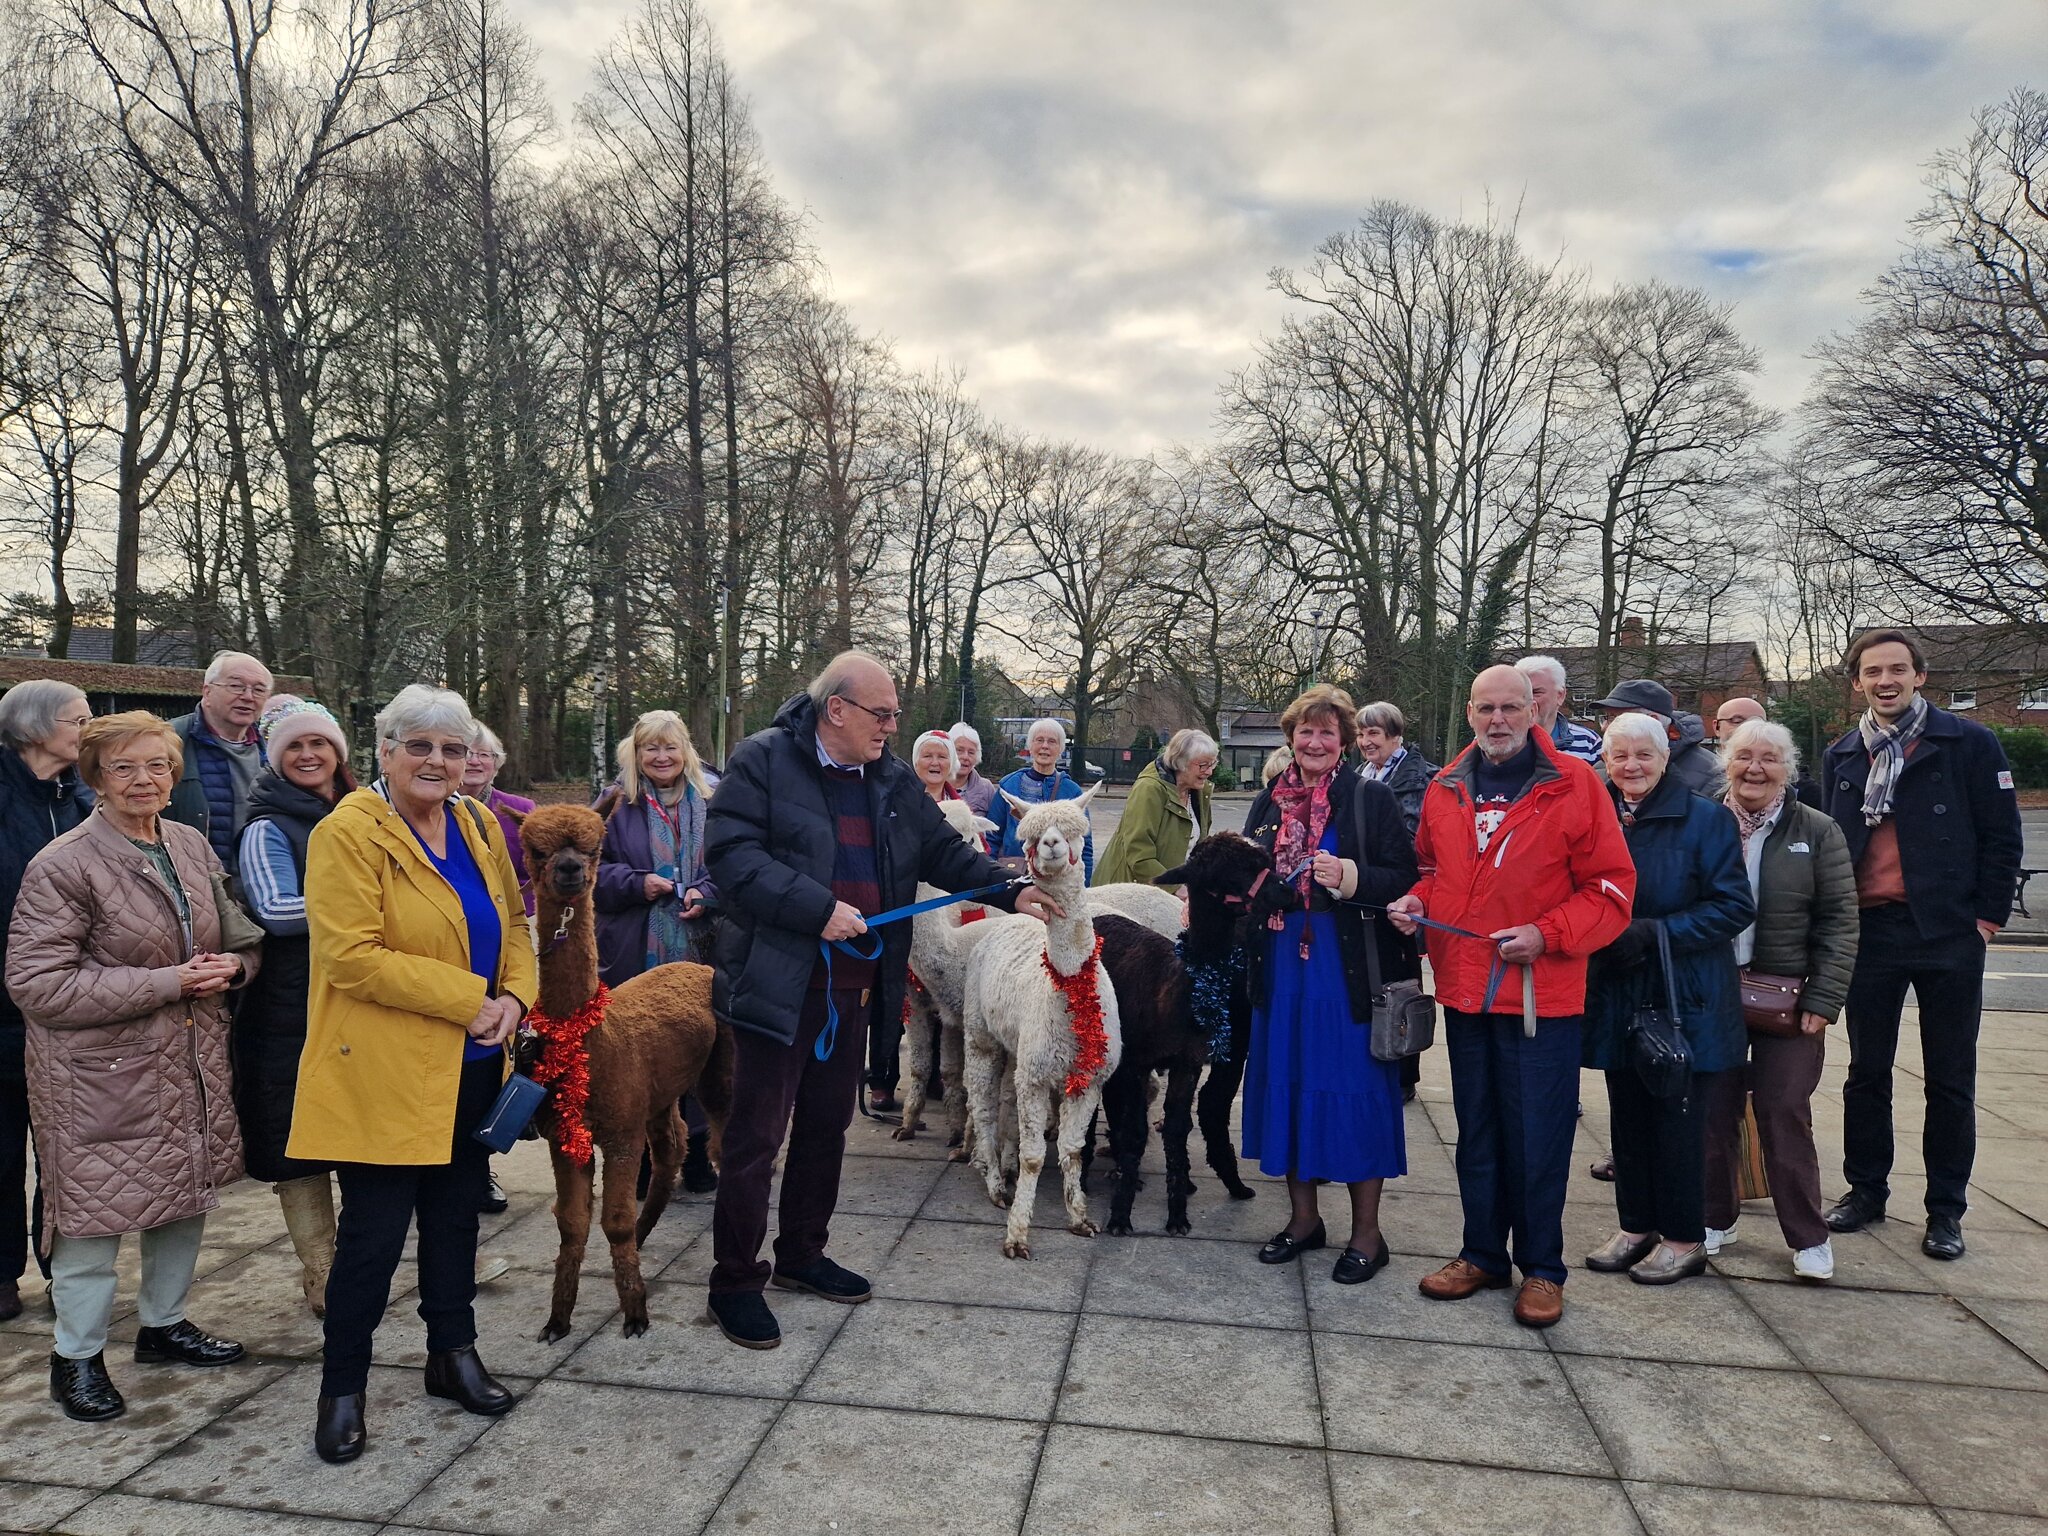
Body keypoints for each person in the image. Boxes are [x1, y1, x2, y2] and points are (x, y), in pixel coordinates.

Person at [702, 651, 1059, 1350]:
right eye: (883, 713)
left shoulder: (890, 780)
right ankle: (733, 1282)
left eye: (894, 714)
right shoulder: (762, 761)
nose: (894, 727)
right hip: (777, 988)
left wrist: (1008, 890)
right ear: (837, 709)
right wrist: (815, 908)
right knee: (755, 1140)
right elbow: (732, 857)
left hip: (853, 989)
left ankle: (802, 1254)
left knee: (825, 1129)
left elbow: (944, 856)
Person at [289, 685, 537, 1464]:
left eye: (453, 749)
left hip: (471, 1064)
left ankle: (451, 1354)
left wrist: (516, 1000)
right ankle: (342, 1389)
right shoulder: (348, 833)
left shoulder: (478, 821)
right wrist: (471, 1000)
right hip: (386, 1069)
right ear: (385, 752)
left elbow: (515, 923)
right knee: (372, 1238)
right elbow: (350, 957)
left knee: (457, 1218)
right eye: (420, 746)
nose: (438, 761)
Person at [10, 712, 258, 1422]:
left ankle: (164, 1325)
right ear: (94, 778)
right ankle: (75, 1357)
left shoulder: (186, 842)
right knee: (91, 1224)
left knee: (183, 1201)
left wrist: (233, 967)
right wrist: (170, 982)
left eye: (157, 765)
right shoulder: (63, 864)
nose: (144, 780)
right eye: (124, 768)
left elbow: (239, 935)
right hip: (98, 1077)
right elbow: (37, 985)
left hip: (187, 1062)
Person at [1387, 666, 1634, 1329]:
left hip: (1540, 997)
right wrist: (1417, 902)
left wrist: (1548, 934)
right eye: (1486, 708)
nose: (1498, 720)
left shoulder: (1576, 786)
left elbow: (1612, 888)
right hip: (1467, 991)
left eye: (1511, 708)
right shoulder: (1445, 787)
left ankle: (1544, 1270)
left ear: (1537, 710)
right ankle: (1482, 1254)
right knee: (1479, 1132)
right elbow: (1434, 872)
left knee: (1539, 1137)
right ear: (1469, 713)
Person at [1821, 629, 2024, 1261]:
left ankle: (1946, 1209)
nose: (1886, 681)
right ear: (1858, 681)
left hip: (1948, 933)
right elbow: (1834, 846)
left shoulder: (1970, 742)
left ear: (1919, 677)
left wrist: (1985, 922)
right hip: (1871, 933)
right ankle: (1866, 1190)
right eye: (1873, 671)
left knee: (1951, 1078)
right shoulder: (1843, 754)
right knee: (1866, 1072)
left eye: (1898, 669)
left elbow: (2002, 838)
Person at [1239, 686, 1417, 1283]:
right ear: (1291, 737)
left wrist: (1350, 876)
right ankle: (1303, 1221)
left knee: (1354, 1093)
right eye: (1305, 732)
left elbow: (1404, 876)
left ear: (1343, 741)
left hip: (1344, 977)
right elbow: (1244, 873)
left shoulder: (1370, 799)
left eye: (1327, 733)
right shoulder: (1270, 799)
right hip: (1283, 969)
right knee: (1290, 1087)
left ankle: (1368, 1234)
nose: (1315, 743)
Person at [1581, 714, 1752, 1286]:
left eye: (1643, 755)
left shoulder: (1706, 820)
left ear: (1665, 757)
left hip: (1685, 997)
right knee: (1626, 1117)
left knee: (1679, 1124)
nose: (1631, 766)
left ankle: (1684, 1238)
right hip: (1618, 993)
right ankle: (1636, 1226)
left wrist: (1654, 934)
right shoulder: (1595, 815)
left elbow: (1733, 907)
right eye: (1619, 755)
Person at [1701, 720, 1858, 1280]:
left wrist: (1826, 995)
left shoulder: (1816, 829)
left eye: (1769, 759)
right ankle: (1714, 1216)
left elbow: (1841, 919)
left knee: (1783, 1109)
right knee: (1711, 1112)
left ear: (1787, 769)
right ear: (1727, 763)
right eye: (1744, 757)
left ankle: (1808, 1236)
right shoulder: (1702, 820)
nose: (1755, 769)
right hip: (1712, 993)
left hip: (1788, 999)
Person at [234, 697, 355, 1318]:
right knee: (299, 1146)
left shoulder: (365, 813)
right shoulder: (266, 827)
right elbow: (277, 912)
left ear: (338, 752)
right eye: (294, 748)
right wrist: (366, 912)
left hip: (359, 999)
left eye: (319, 745)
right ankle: (323, 1277)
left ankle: (364, 1266)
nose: (309, 756)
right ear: (275, 760)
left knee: (363, 1138)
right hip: (293, 1006)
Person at [595, 709, 721, 1192]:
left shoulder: (713, 802)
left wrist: (705, 893)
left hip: (700, 949)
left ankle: (694, 1157)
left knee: (697, 1047)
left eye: (670, 747)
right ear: (636, 753)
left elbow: (734, 866)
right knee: (639, 1053)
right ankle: (645, 1158)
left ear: (685, 750)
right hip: (632, 950)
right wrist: (635, 883)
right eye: (651, 747)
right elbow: (590, 872)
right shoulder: (614, 803)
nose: (661, 756)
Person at [0, 681, 93, 1326]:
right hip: (3, 1004)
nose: (90, 728)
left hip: (69, 1001)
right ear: (35, 729)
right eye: (79, 719)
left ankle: (68, 1271)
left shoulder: (79, 797)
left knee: (67, 1146)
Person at [166, 650, 273, 866]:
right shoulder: (168, 741)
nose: (248, 696)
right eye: (236, 686)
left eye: (259, 690)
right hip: (191, 882)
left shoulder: (276, 752)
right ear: (207, 692)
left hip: (258, 885)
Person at [1093, 727, 1216, 890]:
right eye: (1202, 765)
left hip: (1169, 893)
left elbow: (1199, 848)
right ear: (1181, 762)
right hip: (1128, 892)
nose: (1209, 771)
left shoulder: (1199, 791)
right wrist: (1175, 887)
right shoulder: (1149, 789)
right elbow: (1139, 854)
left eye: (1213, 764)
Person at [986, 718, 1096, 880]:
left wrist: (1082, 889)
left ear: (1060, 749)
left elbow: (1084, 846)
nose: (1045, 746)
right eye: (1039, 740)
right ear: (1030, 746)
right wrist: (992, 880)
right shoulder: (1009, 786)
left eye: (1052, 741)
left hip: (1059, 881)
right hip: (1014, 876)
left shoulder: (1072, 791)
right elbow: (991, 838)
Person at [1592, 678, 1723, 798]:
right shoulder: (1601, 768)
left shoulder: (1712, 773)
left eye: (1616, 718)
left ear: (1653, 721)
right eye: (1607, 717)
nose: (1604, 727)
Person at [461, 724, 535, 916]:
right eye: (466, 753)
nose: (474, 761)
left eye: (485, 755)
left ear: (496, 763)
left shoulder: (522, 809)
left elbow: (534, 876)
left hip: (512, 916)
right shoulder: (432, 809)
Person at [1354, 702, 1437, 839]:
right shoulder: (1358, 776)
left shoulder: (1425, 779)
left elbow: (1414, 841)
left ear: (1395, 735)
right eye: (1360, 735)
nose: (1365, 742)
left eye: (1373, 733)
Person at [1516, 655, 1602, 766]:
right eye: (1520, 693)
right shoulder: (1499, 739)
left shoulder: (1588, 743)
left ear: (1560, 695)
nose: (1527, 701)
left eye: (1536, 692)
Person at [947, 724, 997, 817]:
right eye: (959, 750)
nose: (965, 757)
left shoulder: (986, 788)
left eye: (971, 752)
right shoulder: (934, 785)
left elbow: (996, 826)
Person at [910, 730, 961, 804]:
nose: (935, 763)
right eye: (927, 756)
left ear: (951, 763)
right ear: (916, 762)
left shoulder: (961, 809)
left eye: (942, 757)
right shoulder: (898, 801)